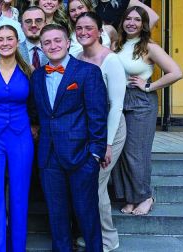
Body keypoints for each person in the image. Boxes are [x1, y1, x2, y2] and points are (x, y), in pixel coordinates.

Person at [30, 23, 108, 252]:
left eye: (57, 40)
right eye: (47, 42)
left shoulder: (87, 72)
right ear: (42, 48)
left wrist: (95, 153)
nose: (52, 46)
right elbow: (36, 112)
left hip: (81, 156)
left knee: (87, 215)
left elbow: (97, 115)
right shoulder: (36, 76)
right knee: (57, 216)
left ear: (67, 42)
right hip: (49, 157)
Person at [112, 6, 182, 216]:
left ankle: (145, 196)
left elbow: (176, 72)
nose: (131, 23)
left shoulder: (149, 47)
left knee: (137, 153)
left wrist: (149, 86)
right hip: (118, 101)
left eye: (137, 19)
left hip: (140, 102)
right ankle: (130, 198)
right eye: (128, 19)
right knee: (122, 153)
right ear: (122, 22)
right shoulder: (117, 44)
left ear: (144, 24)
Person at [0, 25, 34, 252]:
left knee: (19, 194)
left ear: (17, 40)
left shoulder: (29, 70)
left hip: (21, 137)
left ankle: (17, 247)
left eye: (9, 39)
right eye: (0, 39)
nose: (4, 43)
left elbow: (36, 103)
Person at [75, 11, 126, 252]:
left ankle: (108, 238)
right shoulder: (76, 57)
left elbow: (116, 105)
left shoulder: (111, 60)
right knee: (87, 184)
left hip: (110, 131)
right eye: (79, 28)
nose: (83, 32)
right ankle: (92, 233)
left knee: (95, 183)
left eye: (89, 27)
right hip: (86, 132)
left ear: (99, 31)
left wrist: (106, 143)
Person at [91, 0, 159, 29]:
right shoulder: (91, 3)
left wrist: (139, 40)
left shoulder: (124, 1)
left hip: (117, 47)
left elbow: (153, 17)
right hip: (97, 47)